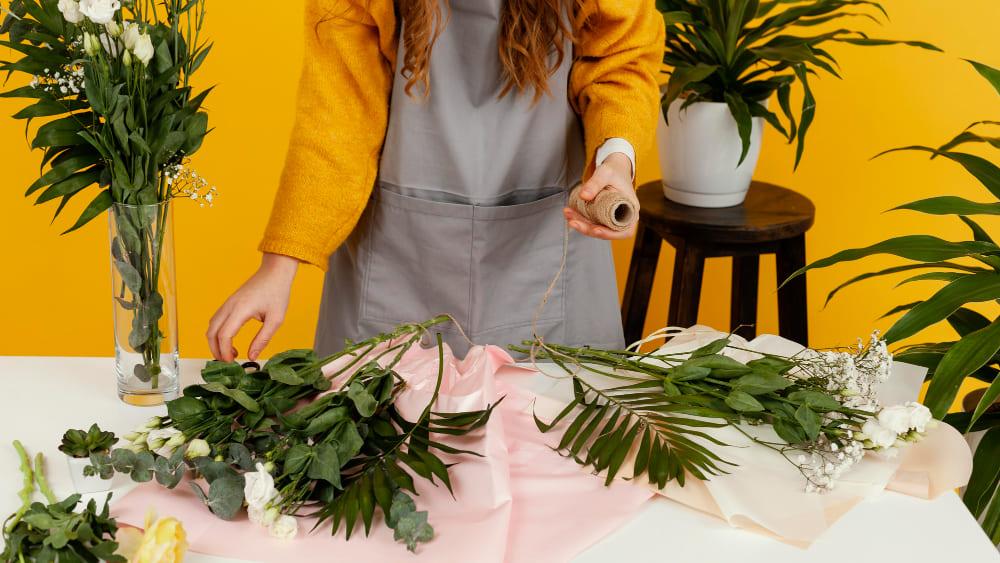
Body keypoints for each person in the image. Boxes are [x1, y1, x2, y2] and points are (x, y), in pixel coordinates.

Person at [206, 0, 664, 361]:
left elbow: (622, 59)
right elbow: (338, 119)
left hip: (546, 246)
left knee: (561, 452)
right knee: (379, 461)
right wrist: (279, 266)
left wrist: (616, 160)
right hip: (398, 261)